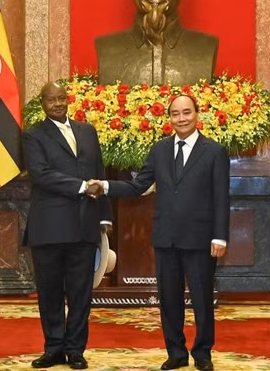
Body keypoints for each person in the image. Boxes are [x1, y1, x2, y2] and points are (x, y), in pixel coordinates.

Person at [88, 95, 229, 371]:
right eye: (175, 114)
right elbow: (138, 185)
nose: (181, 119)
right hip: (166, 237)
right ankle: (176, 353)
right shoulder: (160, 150)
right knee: (169, 299)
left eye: (187, 112)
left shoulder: (214, 151)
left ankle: (203, 354)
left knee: (201, 298)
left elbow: (221, 196)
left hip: (201, 239)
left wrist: (219, 236)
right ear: (169, 119)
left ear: (197, 114)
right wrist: (105, 186)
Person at [22, 82, 111, 369]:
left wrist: (105, 216)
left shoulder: (87, 131)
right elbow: (41, 174)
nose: (58, 104)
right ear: (43, 103)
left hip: (84, 226)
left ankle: (75, 350)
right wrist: (82, 186)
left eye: (62, 98)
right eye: (51, 100)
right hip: (48, 227)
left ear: (68, 100)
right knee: (49, 292)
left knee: (80, 292)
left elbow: (99, 172)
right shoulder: (33, 135)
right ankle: (53, 349)